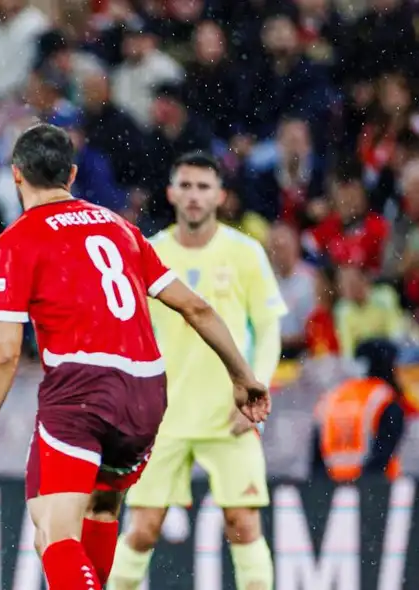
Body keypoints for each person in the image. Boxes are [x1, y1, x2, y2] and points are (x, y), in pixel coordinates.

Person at [0, 125, 271, 590]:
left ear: (16, 175)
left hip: (82, 390)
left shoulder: (14, 244)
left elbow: (3, 352)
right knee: (98, 510)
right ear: (72, 175)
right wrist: (242, 376)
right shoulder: (120, 228)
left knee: (53, 533)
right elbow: (195, 307)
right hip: (145, 393)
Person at [110, 152, 286, 590]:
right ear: (170, 193)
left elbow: (268, 330)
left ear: (221, 196)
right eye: (185, 186)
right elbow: (125, 332)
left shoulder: (244, 253)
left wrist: (257, 387)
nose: (193, 195)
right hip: (163, 418)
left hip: (230, 412)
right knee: (143, 529)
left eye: (203, 187)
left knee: (243, 523)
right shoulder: (148, 252)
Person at [311, 338, 407, 482]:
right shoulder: (384, 398)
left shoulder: (332, 396)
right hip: (377, 487)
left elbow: (317, 456)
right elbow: (384, 450)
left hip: (332, 486)